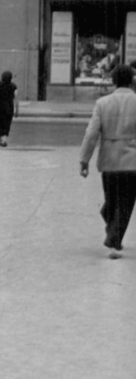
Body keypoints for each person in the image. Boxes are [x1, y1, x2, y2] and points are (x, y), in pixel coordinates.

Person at [78, 62, 136, 257]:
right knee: (125, 202)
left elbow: (91, 133)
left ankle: (114, 236)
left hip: (108, 161)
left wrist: (84, 159)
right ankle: (113, 239)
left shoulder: (102, 103)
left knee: (111, 200)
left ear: (113, 81)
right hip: (132, 161)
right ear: (132, 80)